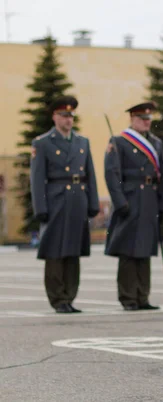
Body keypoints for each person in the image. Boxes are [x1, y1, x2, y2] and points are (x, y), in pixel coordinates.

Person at [30, 96, 99, 313]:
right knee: (55, 252)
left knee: (73, 251)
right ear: (54, 117)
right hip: (56, 200)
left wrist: (93, 202)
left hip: (78, 199)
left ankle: (69, 296)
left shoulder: (82, 142)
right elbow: (37, 178)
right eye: (63, 116)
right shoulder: (42, 143)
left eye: (70, 116)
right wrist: (40, 207)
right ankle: (57, 298)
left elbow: (90, 175)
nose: (68, 120)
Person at [104, 102, 163, 310]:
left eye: (149, 119)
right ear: (132, 119)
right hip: (130, 199)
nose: (146, 122)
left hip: (150, 199)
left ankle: (143, 296)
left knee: (144, 250)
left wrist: (162, 202)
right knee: (128, 250)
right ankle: (128, 297)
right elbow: (112, 174)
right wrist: (119, 202)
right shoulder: (119, 141)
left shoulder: (156, 143)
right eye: (142, 119)